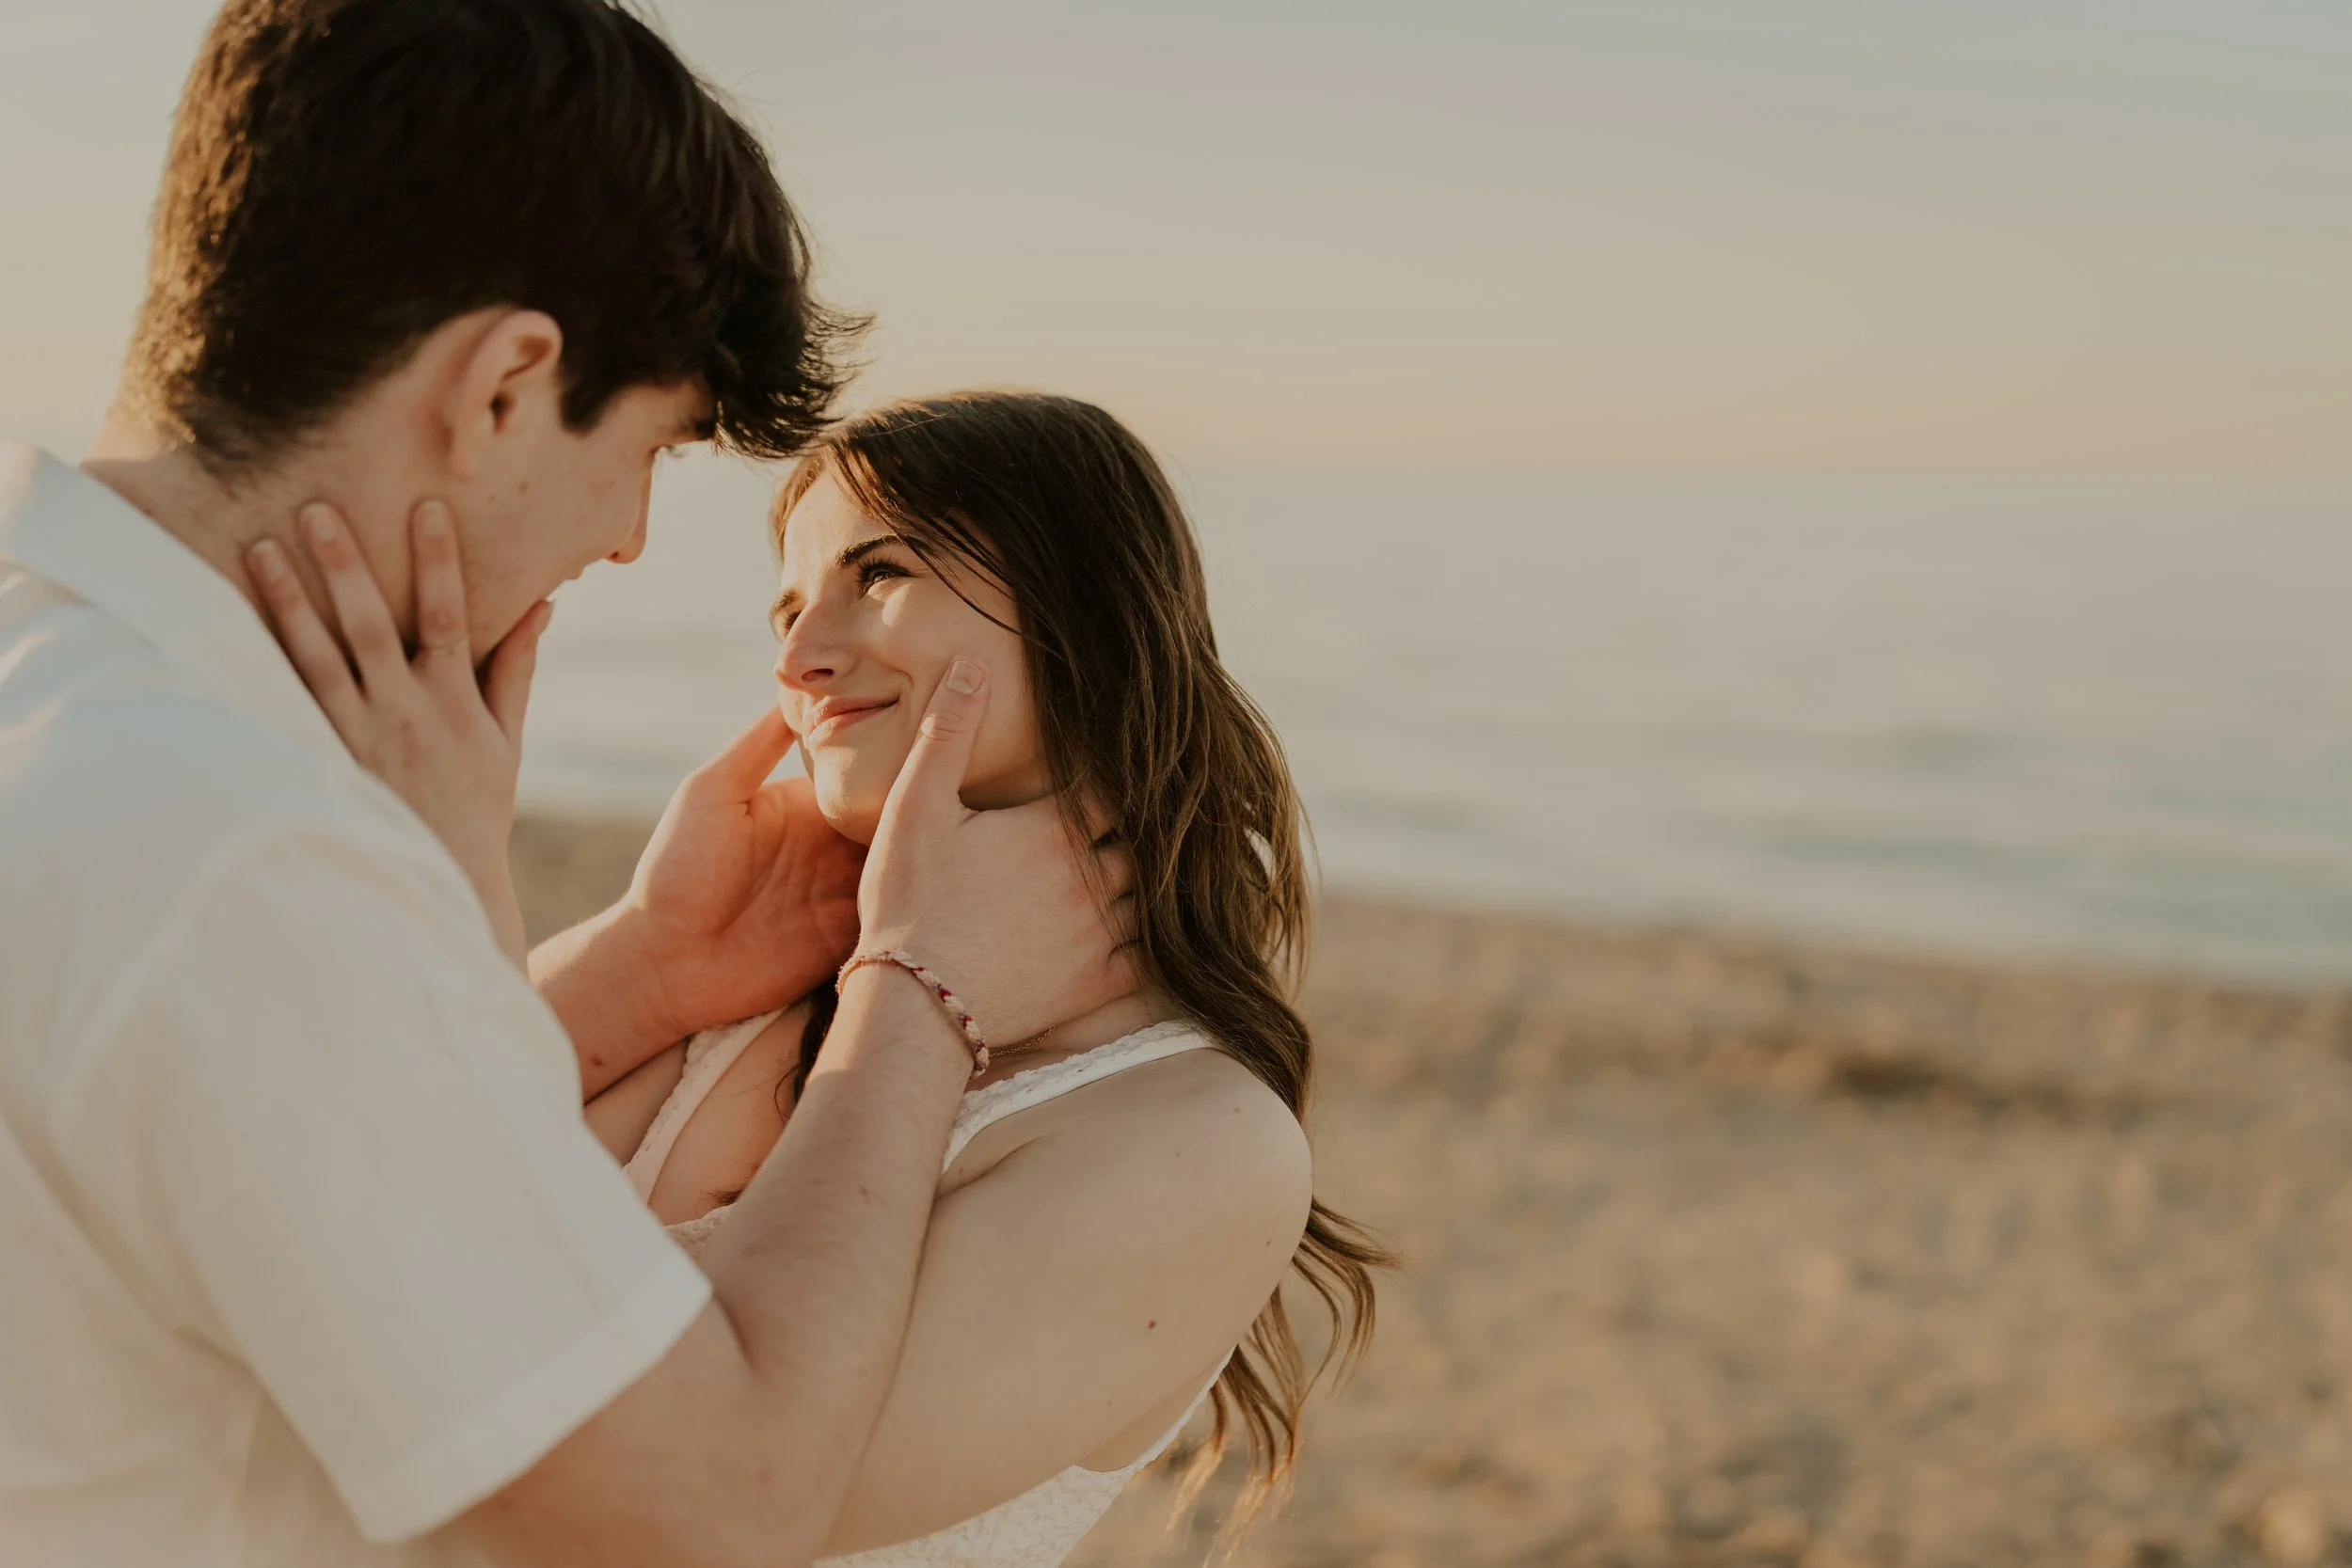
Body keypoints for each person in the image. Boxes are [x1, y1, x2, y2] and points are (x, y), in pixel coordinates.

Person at [0, 4, 1130, 1566]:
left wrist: (640, 963)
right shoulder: (245, 849)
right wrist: (916, 986)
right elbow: (714, 1503)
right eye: (654, 449)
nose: (623, 540)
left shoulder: (71, 700)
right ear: (506, 384)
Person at [262, 390, 1393, 1564]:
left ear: (1091, 613)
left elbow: (645, 1505)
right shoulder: (746, 986)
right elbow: (288, 1197)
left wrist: (913, 987)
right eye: (791, 605)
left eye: (881, 573)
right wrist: (646, 959)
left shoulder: (1195, 1142)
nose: (799, 657)